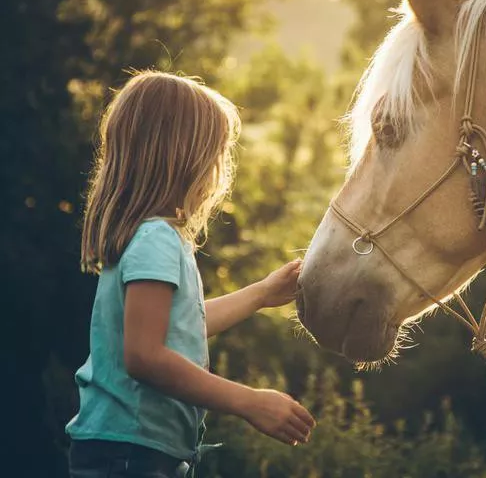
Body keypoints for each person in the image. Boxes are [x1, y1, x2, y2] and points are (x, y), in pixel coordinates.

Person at [66, 71, 315, 478]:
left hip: (130, 453)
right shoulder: (155, 240)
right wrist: (248, 401)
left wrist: (260, 294)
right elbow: (145, 356)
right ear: (183, 159)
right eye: (215, 155)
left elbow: (176, 330)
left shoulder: (150, 236)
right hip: (130, 458)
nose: (219, 171)